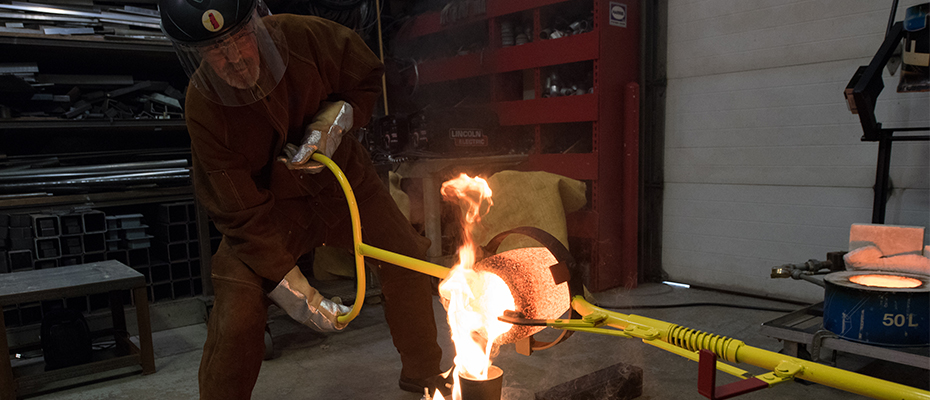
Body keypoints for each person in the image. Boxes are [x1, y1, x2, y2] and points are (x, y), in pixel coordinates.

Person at [157, 0, 450, 397]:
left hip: (347, 186)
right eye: (215, 49)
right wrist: (298, 297)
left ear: (256, 23)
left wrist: (331, 122)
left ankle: (423, 370)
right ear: (194, 54)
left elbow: (363, 76)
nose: (235, 59)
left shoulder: (303, 36)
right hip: (270, 211)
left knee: (407, 258)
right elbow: (238, 209)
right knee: (239, 309)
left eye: (241, 38)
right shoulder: (203, 107)